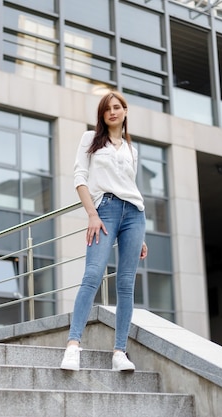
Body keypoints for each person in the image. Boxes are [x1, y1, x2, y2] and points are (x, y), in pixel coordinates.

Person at [60, 91, 148, 372]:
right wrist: (92, 214)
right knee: (92, 275)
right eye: (107, 108)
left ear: (125, 111)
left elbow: (131, 188)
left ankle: (119, 352)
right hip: (105, 210)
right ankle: (73, 345)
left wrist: (140, 236)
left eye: (117, 107)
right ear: (102, 114)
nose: (112, 112)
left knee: (125, 284)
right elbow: (80, 178)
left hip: (135, 215)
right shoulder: (90, 139)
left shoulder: (132, 150)